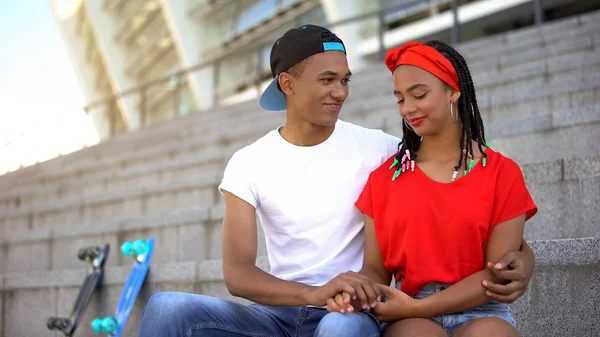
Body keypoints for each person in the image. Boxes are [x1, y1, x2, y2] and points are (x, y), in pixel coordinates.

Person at [137, 26, 536, 337]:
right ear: (287, 85)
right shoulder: (247, 163)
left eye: (345, 80)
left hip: (352, 310)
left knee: (340, 327)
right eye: (327, 80)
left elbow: (450, 197)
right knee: (166, 309)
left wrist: (524, 256)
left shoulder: (383, 151)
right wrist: (312, 294)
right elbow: (238, 274)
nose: (340, 92)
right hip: (277, 315)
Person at [326, 40, 538, 337]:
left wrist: (416, 308)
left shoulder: (503, 173)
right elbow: (375, 268)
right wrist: (359, 288)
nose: (408, 108)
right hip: (408, 311)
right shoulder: (384, 179)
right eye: (400, 99)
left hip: (482, 307)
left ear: (453, 90)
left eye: (419, 94)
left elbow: (496, 275)